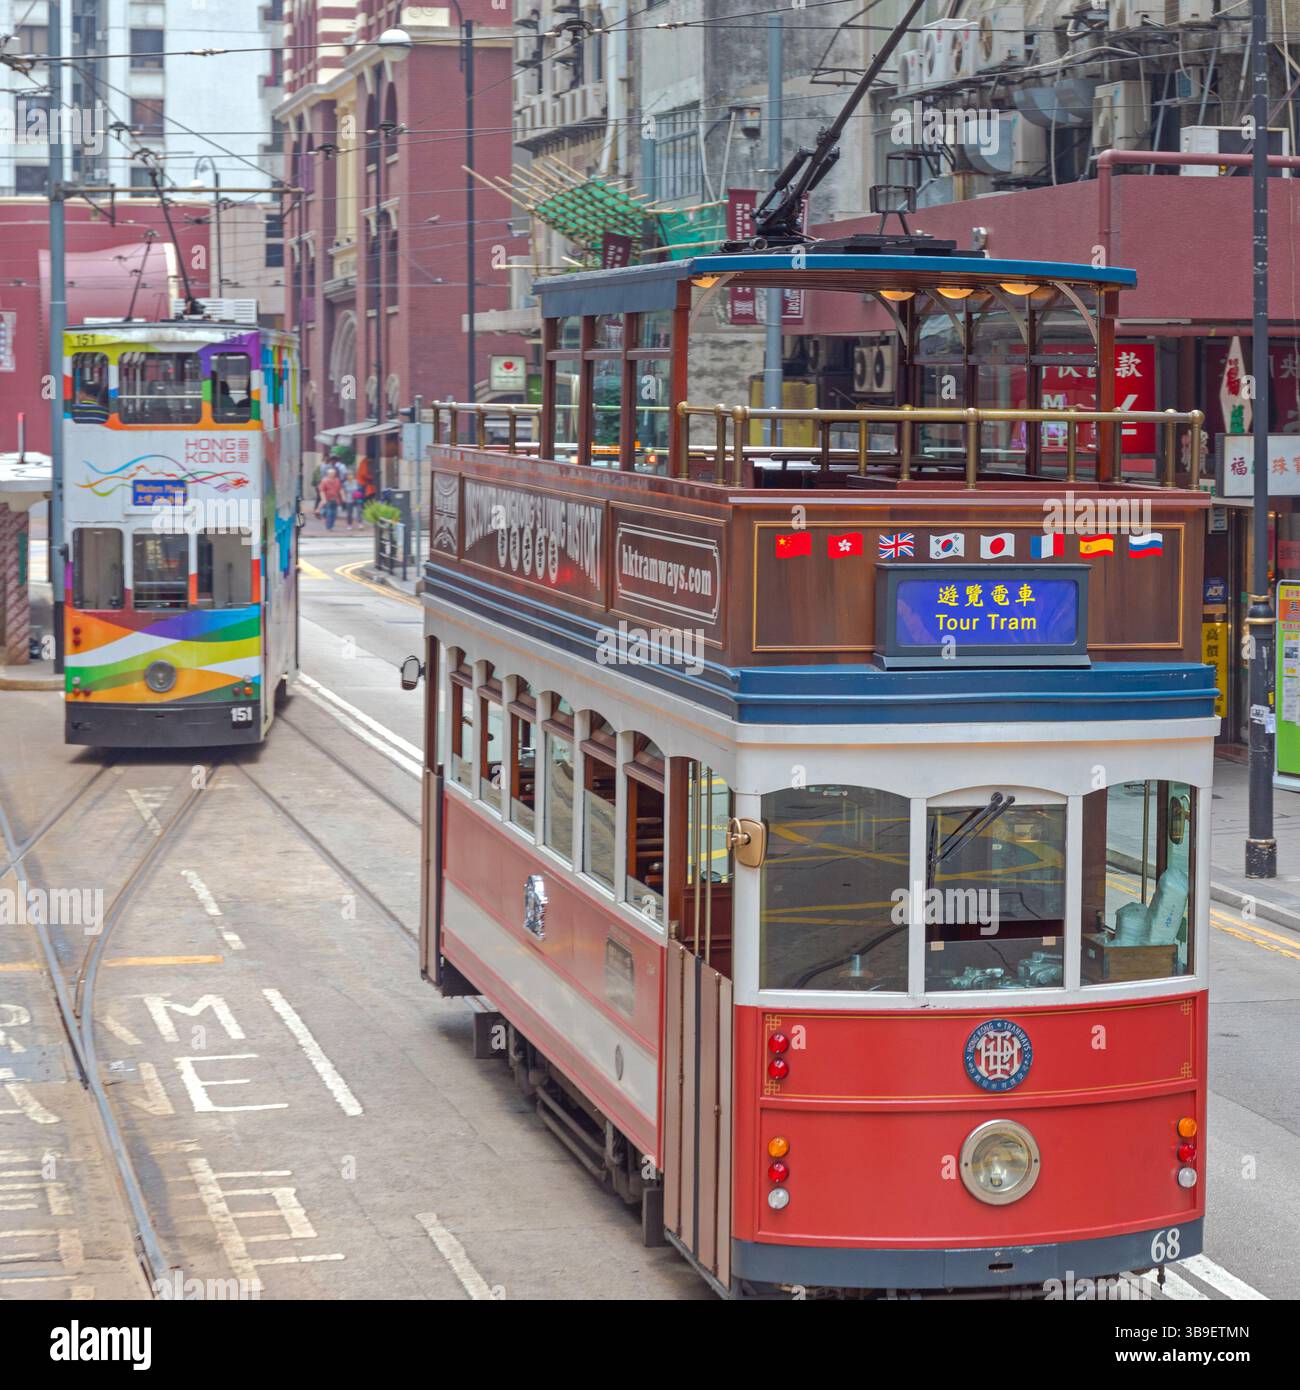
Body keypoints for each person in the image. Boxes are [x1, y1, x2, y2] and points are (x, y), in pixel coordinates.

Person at [318, 466, 343, 530]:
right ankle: (328, 526)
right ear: (328, 474)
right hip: (328, 500)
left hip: (335, 499)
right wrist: (323, 499)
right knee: (329, 513)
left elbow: (340, 489)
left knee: (334, 514)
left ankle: (331, 525)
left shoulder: (337, 480)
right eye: (331, 473)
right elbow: (322, 491)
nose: (333, 474)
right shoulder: (324, 481)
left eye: (334, 473)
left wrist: (343, 497)